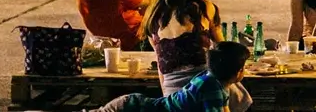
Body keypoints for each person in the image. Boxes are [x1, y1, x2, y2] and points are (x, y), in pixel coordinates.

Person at [140, 0, 227, 96]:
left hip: (171, 90)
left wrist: (166, 97)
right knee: (240, 93)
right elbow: (223, 47)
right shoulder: (204, 7)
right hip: (202, 86)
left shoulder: (153, 14)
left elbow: (160, 62)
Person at [91, 42, 249, 112]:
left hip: (133, 104)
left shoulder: (212, 80)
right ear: (238, 72)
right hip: (133, 108)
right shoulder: (212, 88)